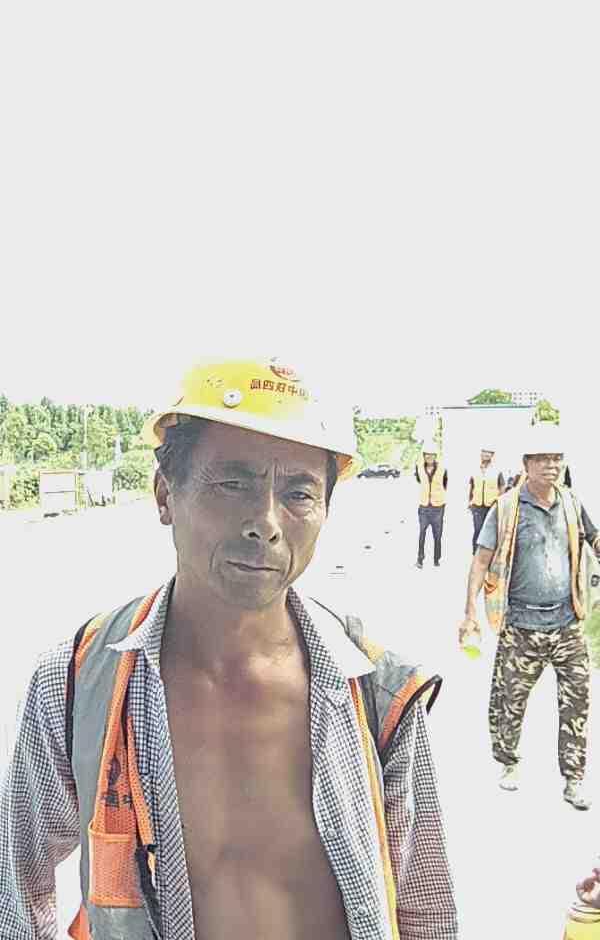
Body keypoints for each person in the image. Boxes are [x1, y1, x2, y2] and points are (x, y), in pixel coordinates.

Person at [0, 358, 458, 940]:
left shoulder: (378, 690)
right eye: (233, 484)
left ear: (326, 511)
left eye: (299, 492)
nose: (266, 522)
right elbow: (16, 889)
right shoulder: (78, 682)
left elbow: (424, 909)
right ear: (165, 495)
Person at [458, 425, 600, 810]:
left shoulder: (571, 502)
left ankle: (574, 779)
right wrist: (469, 611)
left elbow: (594, 540)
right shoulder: (506, 508)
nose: (552, 465)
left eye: (557, 458)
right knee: (509, 700)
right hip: (521, 625)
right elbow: (481, 561)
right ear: (527, 464)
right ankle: (509, 762)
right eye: (543, 459)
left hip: (567, 624)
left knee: (577, 702)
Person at [415, 445, 448, 568]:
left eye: (432, 455)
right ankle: (420, 559)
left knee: (437, 535)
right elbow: (419, 480)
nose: (429, 457)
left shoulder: (443, 469)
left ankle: (436, 559)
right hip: (424, 506)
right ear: (424, 456)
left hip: (438, 507)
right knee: (422, 533)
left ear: (435, 456)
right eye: (427, 455)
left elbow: (445, 484)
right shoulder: (419, 468)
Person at [468, 448, 505, 554]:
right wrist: (470, 501)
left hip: (491, 506)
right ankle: (475, 553)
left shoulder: (497, 470)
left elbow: (502, 486)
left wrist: (499, 502)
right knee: (478, 529)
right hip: (477, 505)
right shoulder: (475, 470)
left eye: (488, 453)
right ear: (481, 454)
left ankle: (491, 555)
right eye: (484, 452)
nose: (486, 454)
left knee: (491, 531)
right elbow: (472, 486)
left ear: (492, 455)